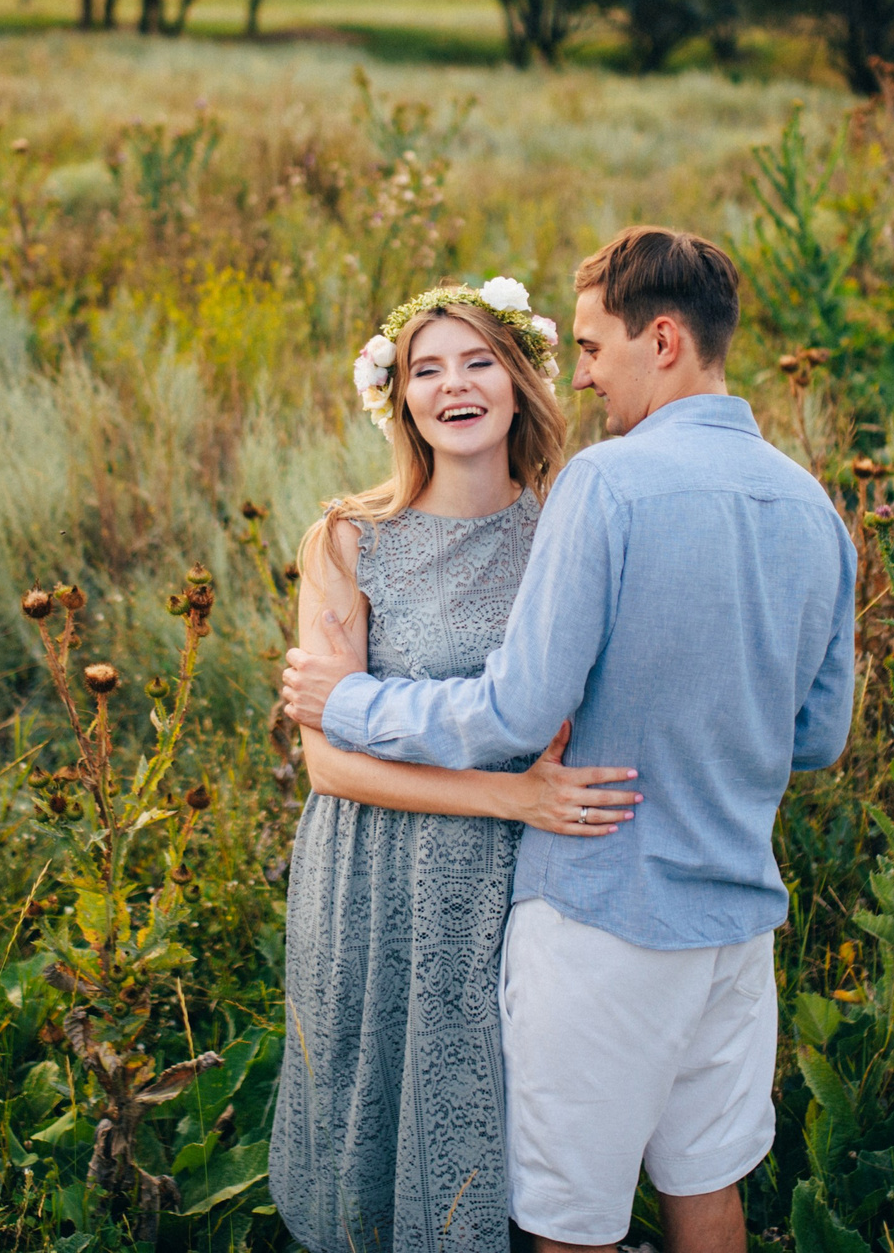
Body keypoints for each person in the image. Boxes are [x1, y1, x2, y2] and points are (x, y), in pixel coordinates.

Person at [281, 227, 858, 1253]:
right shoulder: (816, 510)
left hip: (604, 912)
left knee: (567, 1223)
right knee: (706, 1187)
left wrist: (349, 702)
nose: (583, 374)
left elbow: (512, 712)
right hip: (732, 919)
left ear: (665, 339)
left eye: (592, 347)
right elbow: (817, 738)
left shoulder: (604, 486)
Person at [271, 277, 646, 1253]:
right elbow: (329, 767)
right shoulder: (348, 540)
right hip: (370, 869)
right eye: (425, 370)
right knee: (363, 1091)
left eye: (478, 361)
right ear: (399, 398)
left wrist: (535, 797)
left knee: (495, 1093)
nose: (454, 387)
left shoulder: (567, 531)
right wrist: (511, 794)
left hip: (505, 882)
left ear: (519, 381)